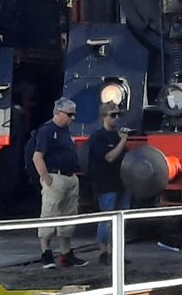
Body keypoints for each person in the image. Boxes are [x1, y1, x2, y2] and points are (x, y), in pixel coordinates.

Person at [32, 98, 86, 269]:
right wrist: (47, 179)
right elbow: (37, 156)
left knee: (68, 216)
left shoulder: (65, 131)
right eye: (70, 114)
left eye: (74, 115)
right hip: (56, 177)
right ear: (58, 112)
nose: (73, 118)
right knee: (49, 214)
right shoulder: (47, 130)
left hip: (70, 177)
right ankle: (46, 253)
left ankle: (66, 253)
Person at [85, 101, 132, 266]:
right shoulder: (98, 137)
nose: (117, 118)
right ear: (104, 117)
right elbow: (109, 157)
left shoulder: (117, 136)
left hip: (122, 183)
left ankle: (116, 252)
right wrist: (123, 141)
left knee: (122, 219)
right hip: (106, 183)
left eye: (118, 114)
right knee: (106, 219)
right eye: (113, 115)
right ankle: (103, 252)